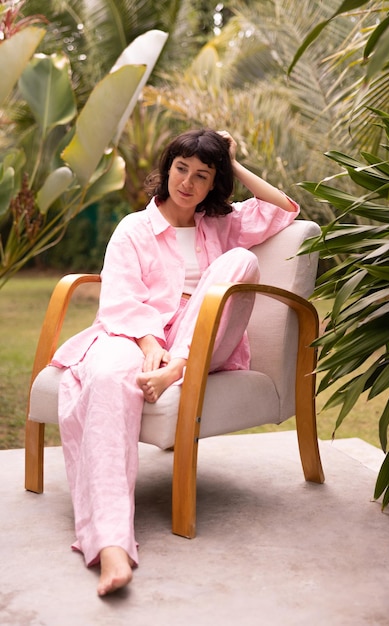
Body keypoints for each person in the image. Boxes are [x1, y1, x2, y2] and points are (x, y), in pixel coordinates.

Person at [50, 128, 299, 596]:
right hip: (140, 332)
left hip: (207, 342)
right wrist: (149, 346)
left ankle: (175, 370)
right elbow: (120, 301)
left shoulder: (221, 223)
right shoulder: (134, 229)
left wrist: (232, 161)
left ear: (213, 185)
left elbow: (285, 210)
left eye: (203, 175)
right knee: (104, 373)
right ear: (167, 169)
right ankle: (110, 545)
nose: (188, 182)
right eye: (181, 168)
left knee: (240, 261)